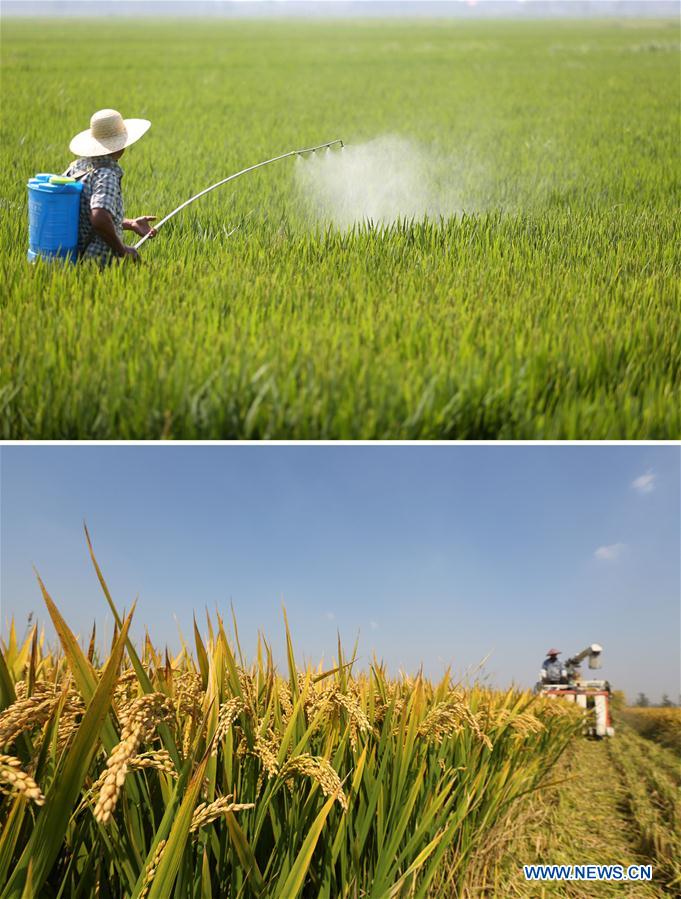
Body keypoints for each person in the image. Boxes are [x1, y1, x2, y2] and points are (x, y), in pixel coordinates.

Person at [64, 109, 157, 266]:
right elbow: (99, 218)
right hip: (95, 263)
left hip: (70, 256)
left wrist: (131, 224)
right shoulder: (107, 175)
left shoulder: (77, 167)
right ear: (121, 146)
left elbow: (84, 215)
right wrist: (122, 250)